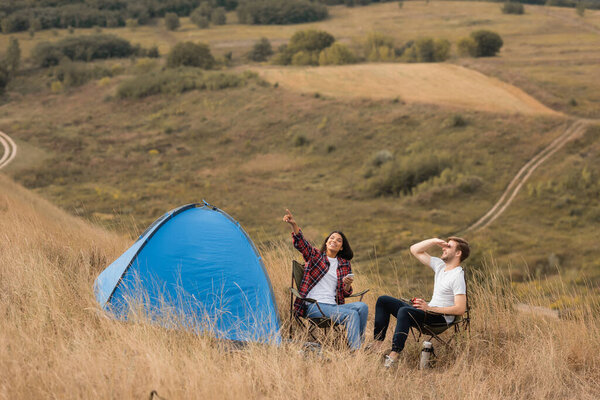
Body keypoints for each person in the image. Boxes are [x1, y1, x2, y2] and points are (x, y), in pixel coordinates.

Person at [373, 237, 469, 367]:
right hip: (427, 312)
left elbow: (460, 309)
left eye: (448, 247)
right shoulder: (440, 266)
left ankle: (393, 355)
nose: (444, 248)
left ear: (458, 253)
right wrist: (434, 240)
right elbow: (415, 250)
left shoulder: (457, 276)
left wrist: (429, 308)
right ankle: (377, 346)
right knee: (383, 300)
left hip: (439, 318)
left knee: (405, 311)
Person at [283, 209, 368, 350]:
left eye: (338, 240)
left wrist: (346, 286)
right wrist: (294, 225)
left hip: (334, 306)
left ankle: (358, 342)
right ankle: (356, 352)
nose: (334, 241)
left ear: (341, 247)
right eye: (332, 238)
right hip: (314, 306)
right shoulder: (316, 256)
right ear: (327, 241)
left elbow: (345, 293)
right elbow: (302, 244)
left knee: (362, 307)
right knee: (352, 314)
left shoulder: (344, 264)